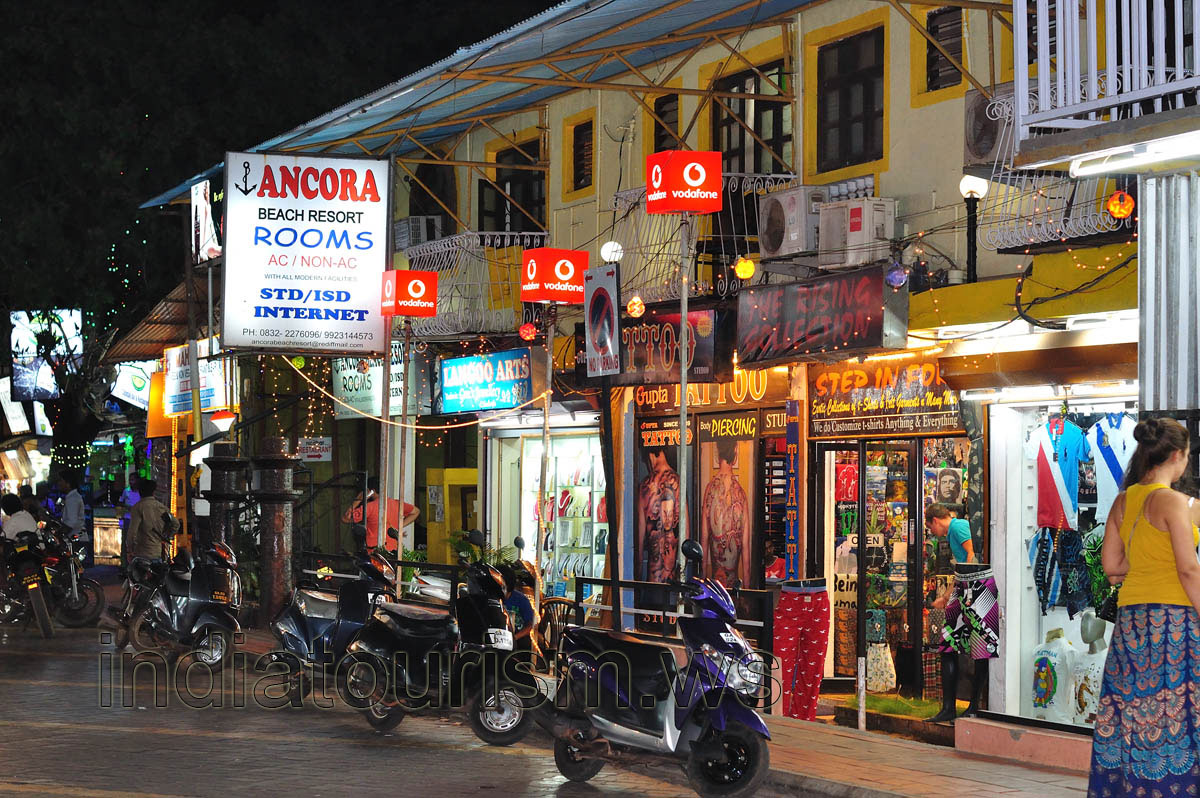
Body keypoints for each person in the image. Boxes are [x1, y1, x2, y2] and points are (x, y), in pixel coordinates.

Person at [1090, 417, 1200, 795]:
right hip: (1173, 620)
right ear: (1177, 455)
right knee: (1175, 712)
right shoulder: (1171, 501)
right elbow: (1188, 568)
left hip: (1132, 620)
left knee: (1130, 709)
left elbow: (1112, 567)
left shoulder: (1124, 500)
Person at [701, 438, 750, 587]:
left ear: (718, 454)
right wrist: (748, 595)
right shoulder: (741, 495)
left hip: (715, 588)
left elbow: (703, 543)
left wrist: (702, 585)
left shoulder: (709, 491)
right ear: (735, 455)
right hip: (732, 588)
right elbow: (746, 550)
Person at [636, 446, 680, 583]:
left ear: (649, 456)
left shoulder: (644, 487)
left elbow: (639, 541)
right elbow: (686, 532)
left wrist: (636, 580)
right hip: (674, 580)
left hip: (653, 579)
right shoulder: (678, 482)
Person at [341, 477, 419, 553]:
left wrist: (359, 499)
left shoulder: (369, 507)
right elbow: (416, 511)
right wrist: (399, 526)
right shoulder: (396, 504)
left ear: (371, 491)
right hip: (394, 550)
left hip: (375, 553)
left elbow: (346, 518)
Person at [125, 479, 171, 564]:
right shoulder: (161, 508)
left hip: (142, 554)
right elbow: (175, 524)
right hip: (158, 553)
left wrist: (129, 551)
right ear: (154, 492)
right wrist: (166, 537)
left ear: (139, 492)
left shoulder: (138, 508)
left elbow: (132, 533)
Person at [58, 473, 90, 567]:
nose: (59, 483)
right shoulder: (72, 497)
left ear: (68, 483)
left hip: (76, 540)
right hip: (77, 538)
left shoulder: (72, 499)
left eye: (61, 481)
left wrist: (60, 534)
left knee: (73, 568)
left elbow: (71, 523)